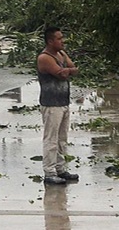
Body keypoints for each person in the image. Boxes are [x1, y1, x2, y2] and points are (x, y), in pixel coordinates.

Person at [37, 27, 79, 185]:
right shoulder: (44, 58)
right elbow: (61, 74)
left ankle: (61, 169)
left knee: (62, 138)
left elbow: (73, 69)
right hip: (51, 104)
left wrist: (67, 70)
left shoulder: (61, 54)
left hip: (63, 101)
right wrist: (67, 70)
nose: (62, 41)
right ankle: (49, 172)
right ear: (50, 41)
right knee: (51, 139)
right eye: (59, 38)